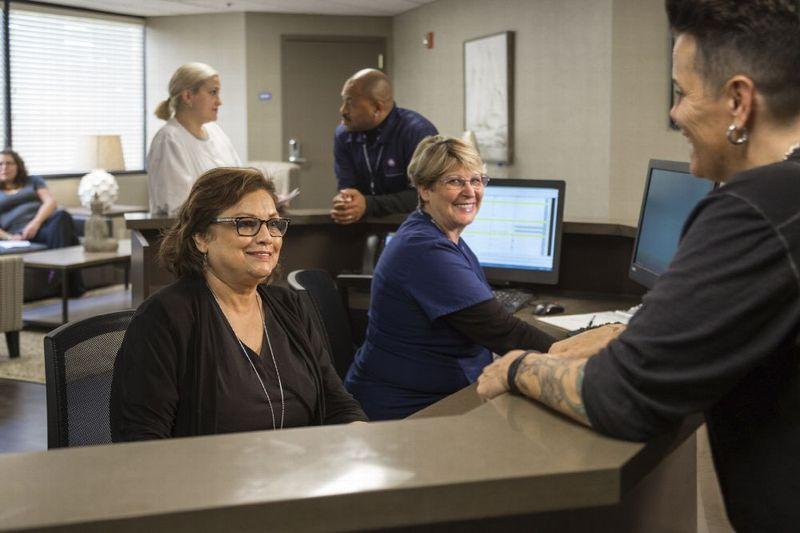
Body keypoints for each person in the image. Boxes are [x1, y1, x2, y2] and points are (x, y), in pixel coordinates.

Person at [477, 1, 800, 530]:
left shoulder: (758, 206)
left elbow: (623, 396)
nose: (674, 114)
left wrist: (516, 367)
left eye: (681, 93)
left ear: (739, 101)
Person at [344, 136, 609, 420]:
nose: (470, 191)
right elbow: (504, 333)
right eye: (455, 181)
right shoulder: (424, 248)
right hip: (407, 410)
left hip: (437, 393)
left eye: (477, 180)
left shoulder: (442, 235)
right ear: (424, 189)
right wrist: (597, 345)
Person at [111, 167, 366, 440]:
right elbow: (141, 444)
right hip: (210, 479)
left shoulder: (291, 307)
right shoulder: (165, 318)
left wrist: (363, 441)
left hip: (300, 474)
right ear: (201, 237)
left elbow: (338, 404)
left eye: (273, 223)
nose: (266, 237)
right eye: (246, 223)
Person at [331, 68, 437, 224]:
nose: (343, 110)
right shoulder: (343, 135)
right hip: (363, 227)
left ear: (377, 108)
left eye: (350, 102)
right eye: (343, 101)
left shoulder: (418, 132)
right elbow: (347, 188)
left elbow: (428, 195)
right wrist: (346, 202)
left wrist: (368, 204)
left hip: (413, 227)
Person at [147, 62, 241, 216]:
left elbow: (241, 182)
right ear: (188, 96)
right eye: (213, 92)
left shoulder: (216, 132)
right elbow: (180, 207)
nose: (219, 101)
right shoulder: (169, 139)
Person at [0, 148, 84, 293]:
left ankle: (57, 276)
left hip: (44, 225)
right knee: (69, 236)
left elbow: (50, 202)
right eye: (0, 164)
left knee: (62, 215)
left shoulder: (33, 180)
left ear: (18, 166)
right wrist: (10, 237)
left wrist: (35, 223)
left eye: (9, 163)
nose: (4, 167)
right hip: (20, 234)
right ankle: (70, 285)